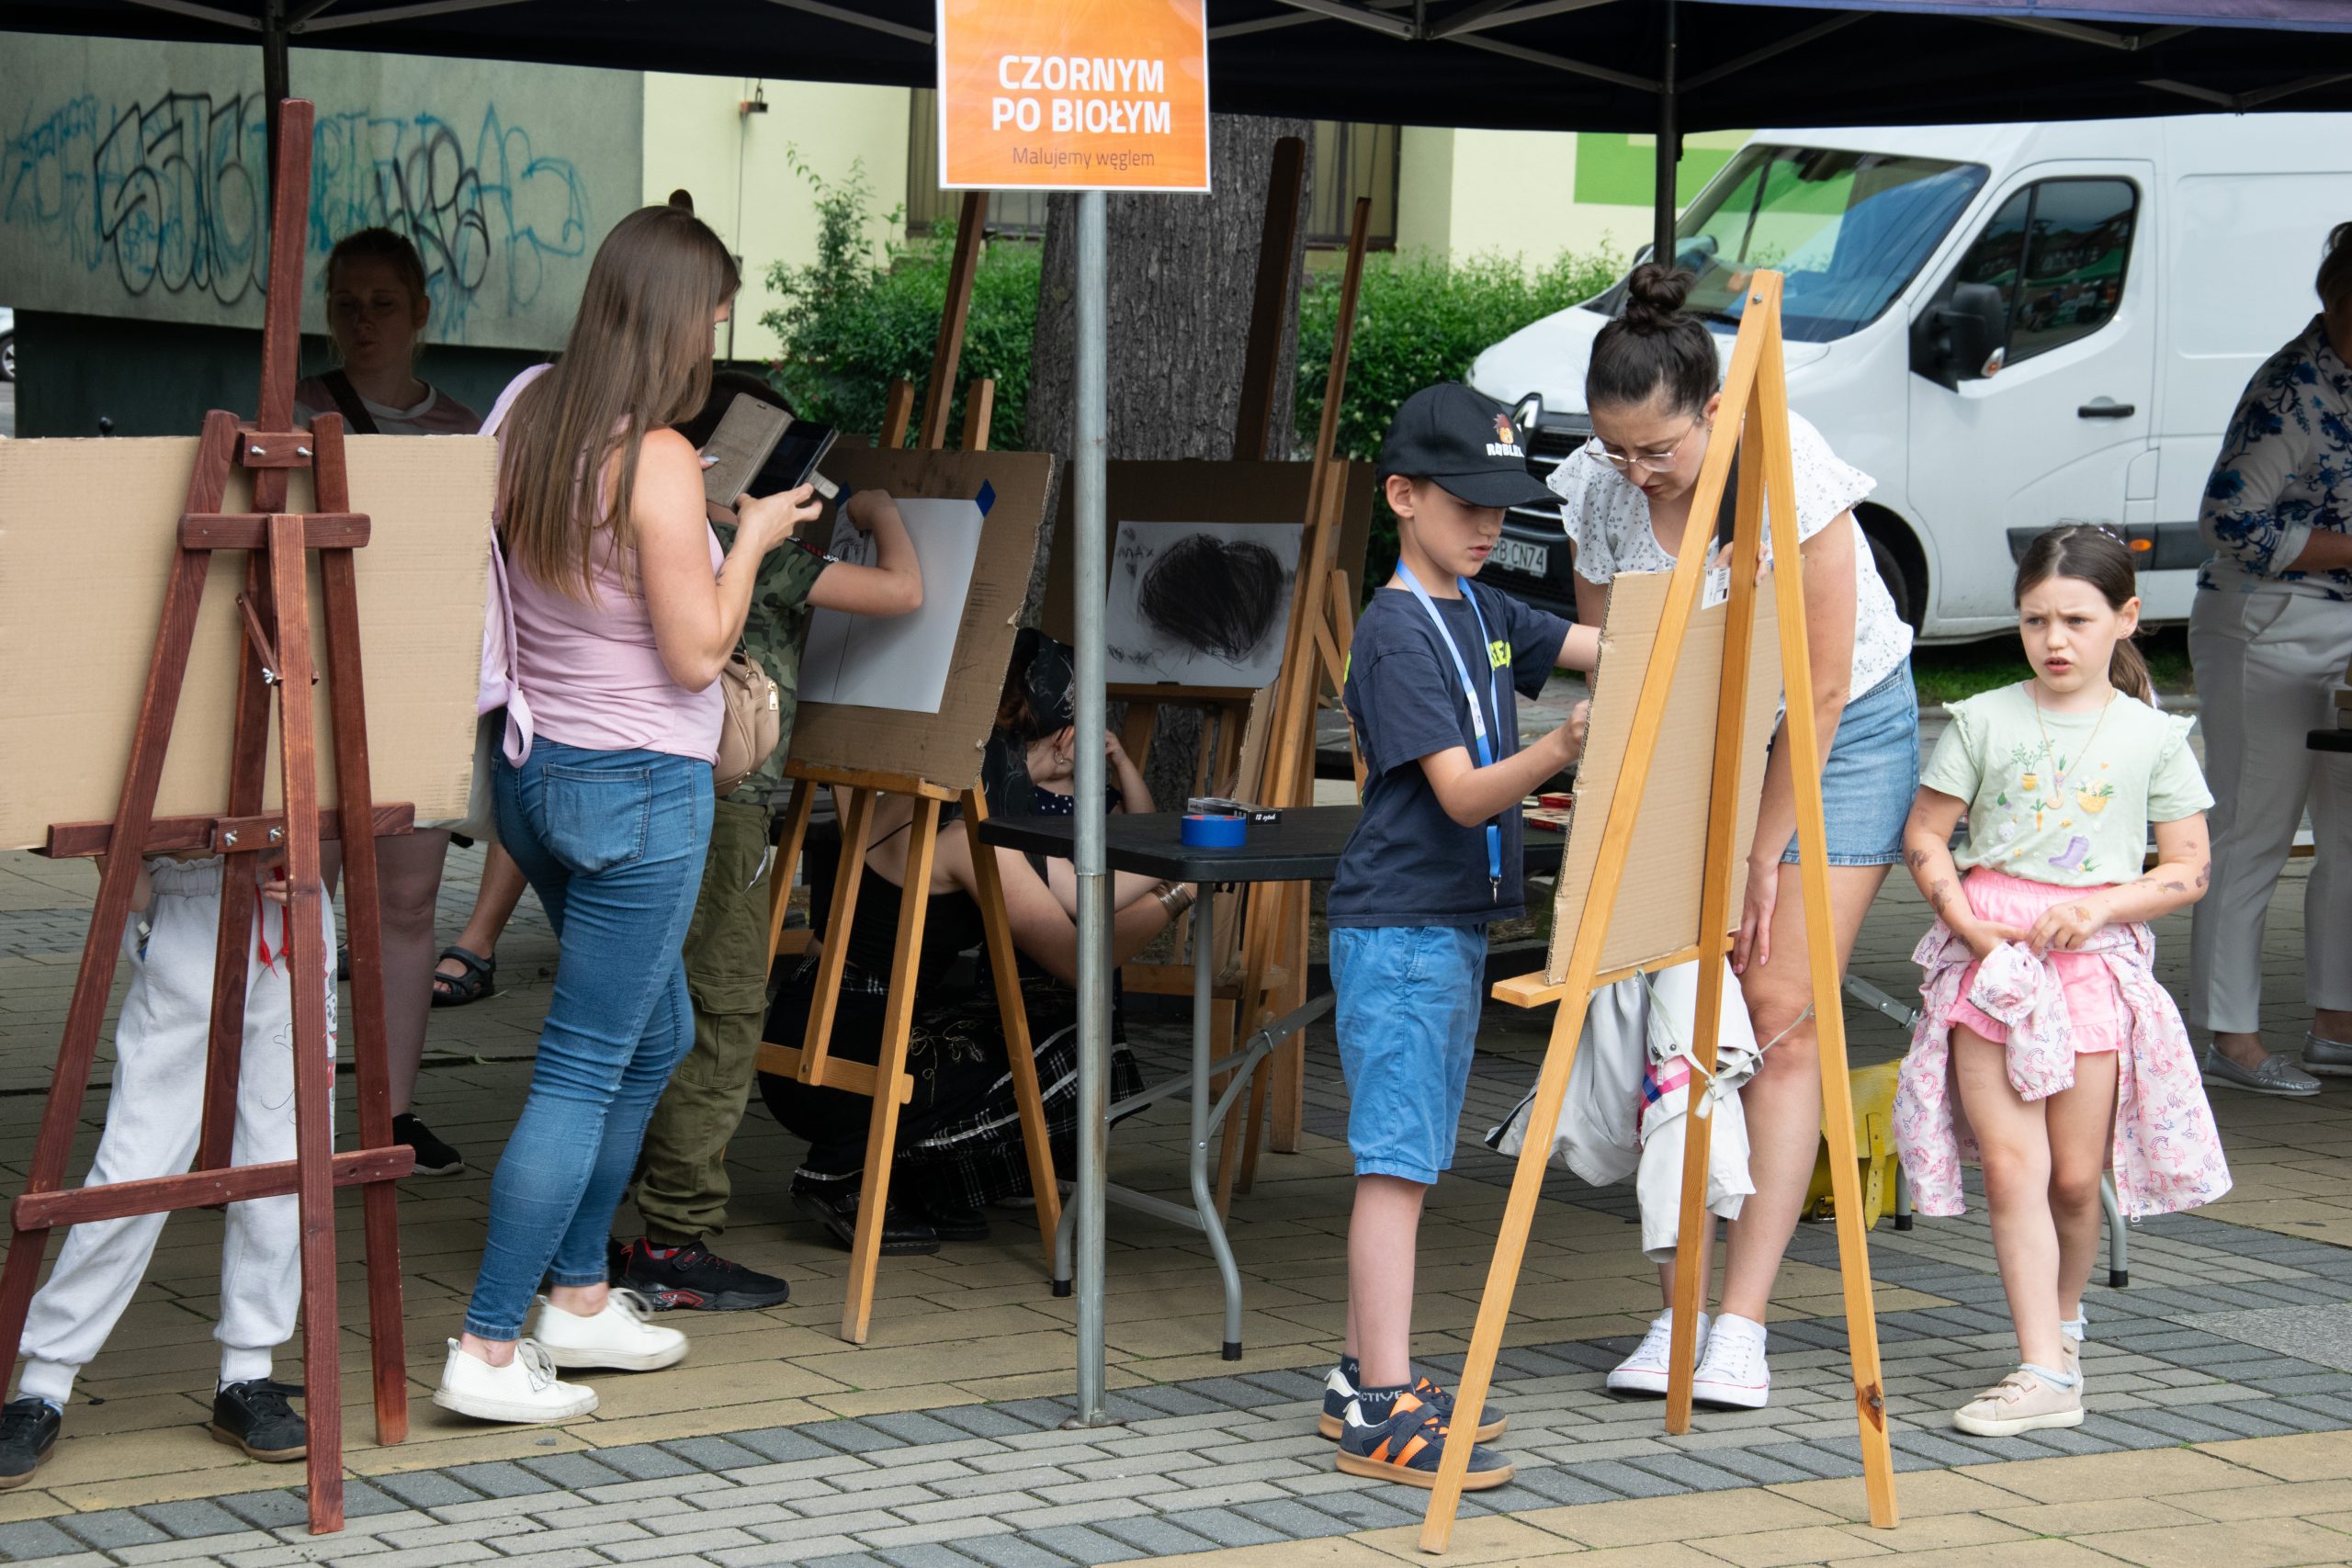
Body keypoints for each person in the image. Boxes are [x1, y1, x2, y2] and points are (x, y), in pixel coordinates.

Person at [432, 204, 820, 1424]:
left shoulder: (531, 408)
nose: (717, 335)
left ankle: (582, 1296)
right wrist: (750, 537)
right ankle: (490, 1343)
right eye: (715, 313)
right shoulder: (651, 455)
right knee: (585, 1064)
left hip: (534, 774)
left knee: (654, 1039)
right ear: (676, 317)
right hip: (638, 787)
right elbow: (698, 653)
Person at [1545, 263, 1917, 1409]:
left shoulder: (1790, 471)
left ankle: (1742, 1326)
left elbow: (1816, 691)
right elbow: (1621, 664)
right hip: (1698, 726)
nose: (1636, 471)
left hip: (1834, 736)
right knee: (1682, 1007)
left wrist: (1759, 856)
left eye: (1657, 450)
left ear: (1712, 410)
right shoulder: (1602, 485)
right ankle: (1677, 1309)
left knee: (1778, 1010)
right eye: (1617, 449)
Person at [1320, 383, 1597, 1492]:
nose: (1489, 524)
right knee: (1394, 1167)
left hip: (1444, 929)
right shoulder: (1395, 631)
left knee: (1411, 1156)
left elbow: (1599, 641)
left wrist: (1712, 600)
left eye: (1500, 504)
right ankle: (1380, 1404)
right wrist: (1564, 745)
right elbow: (1464, 795)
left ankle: (1359, 1379)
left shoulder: (1482, 607)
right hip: (1399, 931)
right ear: (1402, 497)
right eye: (1465, 502)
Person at [1894, 525, 2228, 1436]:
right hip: (1991, 968)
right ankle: (2041, 1367)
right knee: (2014, 1170)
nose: (2054, 640)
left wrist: (2104, 907)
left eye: (2076, 620)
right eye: (2035, 619)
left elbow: (2189, 868)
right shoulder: (1982, 719)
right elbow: (1925, 836)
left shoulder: (2156, 736)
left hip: (2091, 970)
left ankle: (2064, 1331)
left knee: (2076, 1181)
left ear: (2126, 617)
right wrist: (1969, 927)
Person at [612, 372, 922, 1309]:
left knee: (632, 1003)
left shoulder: (634, 521)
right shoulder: (746, 546)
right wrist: (876, 508)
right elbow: (903, 590)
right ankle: (674, 1237)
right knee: (720, 1010)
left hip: (631, 778)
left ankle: (593, 1226)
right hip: (726, 795)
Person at [758, 631, 1171, 1253]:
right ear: (1066, 737)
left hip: (805, 1021)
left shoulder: (915, 786)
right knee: (1075, 1040)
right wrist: (1179, 893)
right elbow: (1078, 958)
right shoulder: (972, 836)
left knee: (1024, 1013)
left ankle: (912, 1176)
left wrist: (1179, 862)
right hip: (845, 1058)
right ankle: (842, 1172)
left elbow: (1080, 889)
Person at [0, 852, 332, 1486]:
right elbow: (120, 850)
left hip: (285, 905)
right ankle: (44, 1382)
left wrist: (311, 862)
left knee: (284, 1160)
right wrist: (130, 875)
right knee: (135, 1166)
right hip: (186, 899)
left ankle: (248, 1371)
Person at [291, 226, 481, 1176]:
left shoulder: (464, 429)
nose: (362, 321)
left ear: (420, 314)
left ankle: (389, 1115)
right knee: (301, 902)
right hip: (316, 683)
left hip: (418, 683)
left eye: (382, 304)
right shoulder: (296, 410)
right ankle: (285, 1117)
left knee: (406, 905)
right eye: (345, 304)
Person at [2188, 220, 2352, 1098]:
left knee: (2350, 834)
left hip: (2336, 624)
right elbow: (2230, 522)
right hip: (2266, 623)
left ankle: (2337, 1025)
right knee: (2253, 832)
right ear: (2343, 303)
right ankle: (2232, 1038)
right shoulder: (2289, 389)